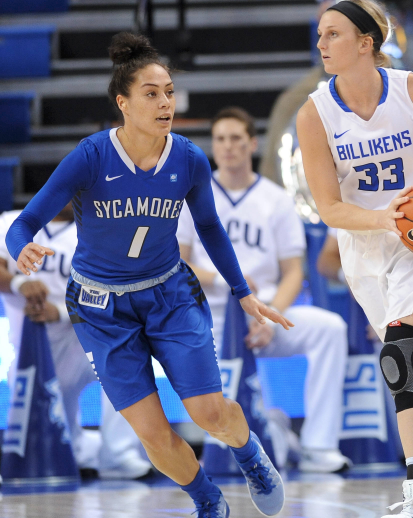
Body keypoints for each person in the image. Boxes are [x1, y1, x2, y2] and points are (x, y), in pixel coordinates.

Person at [5, 32, 292, 518]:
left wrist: (242, 292)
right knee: (153, 434)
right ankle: (206, 499)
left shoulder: (187, 159)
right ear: (124, 103)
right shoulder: (91, 157)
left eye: (169, 92)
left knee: (210, 414)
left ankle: (250, 456)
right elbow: (24, 223)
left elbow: (209, 229)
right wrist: (22, 250)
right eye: (151, 93)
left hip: (169, 295)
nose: (165, 103)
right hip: (101, 310)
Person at [296, 0, 413, 516]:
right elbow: (329, 207)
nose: (321, 44)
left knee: (400, 356)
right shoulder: (315, 112)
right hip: (366, 250)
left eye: (333, 34)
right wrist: (385, 219)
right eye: (320, 34)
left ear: (366, 43)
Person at [177, 106, 351, 473]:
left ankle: (318, 445)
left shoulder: (276, 198)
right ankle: (261, 430)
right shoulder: (193, 196)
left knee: (329, 329)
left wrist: (272, 318)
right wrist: (223, 278)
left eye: (236, 139)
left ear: (252, 143)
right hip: (213, 319)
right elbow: (178, 262)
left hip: (265, 313)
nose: (228, 147)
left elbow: (294, 272)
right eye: (221, 139)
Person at [0, 205, 153, 480]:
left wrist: (58, 311)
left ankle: (117, 456)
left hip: (82, 339)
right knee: (57, 450)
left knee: (129, 359)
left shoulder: (100, 232)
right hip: (31, 351)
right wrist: (18, 284)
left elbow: (111, 297)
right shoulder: (12, 222)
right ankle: (84, 451)